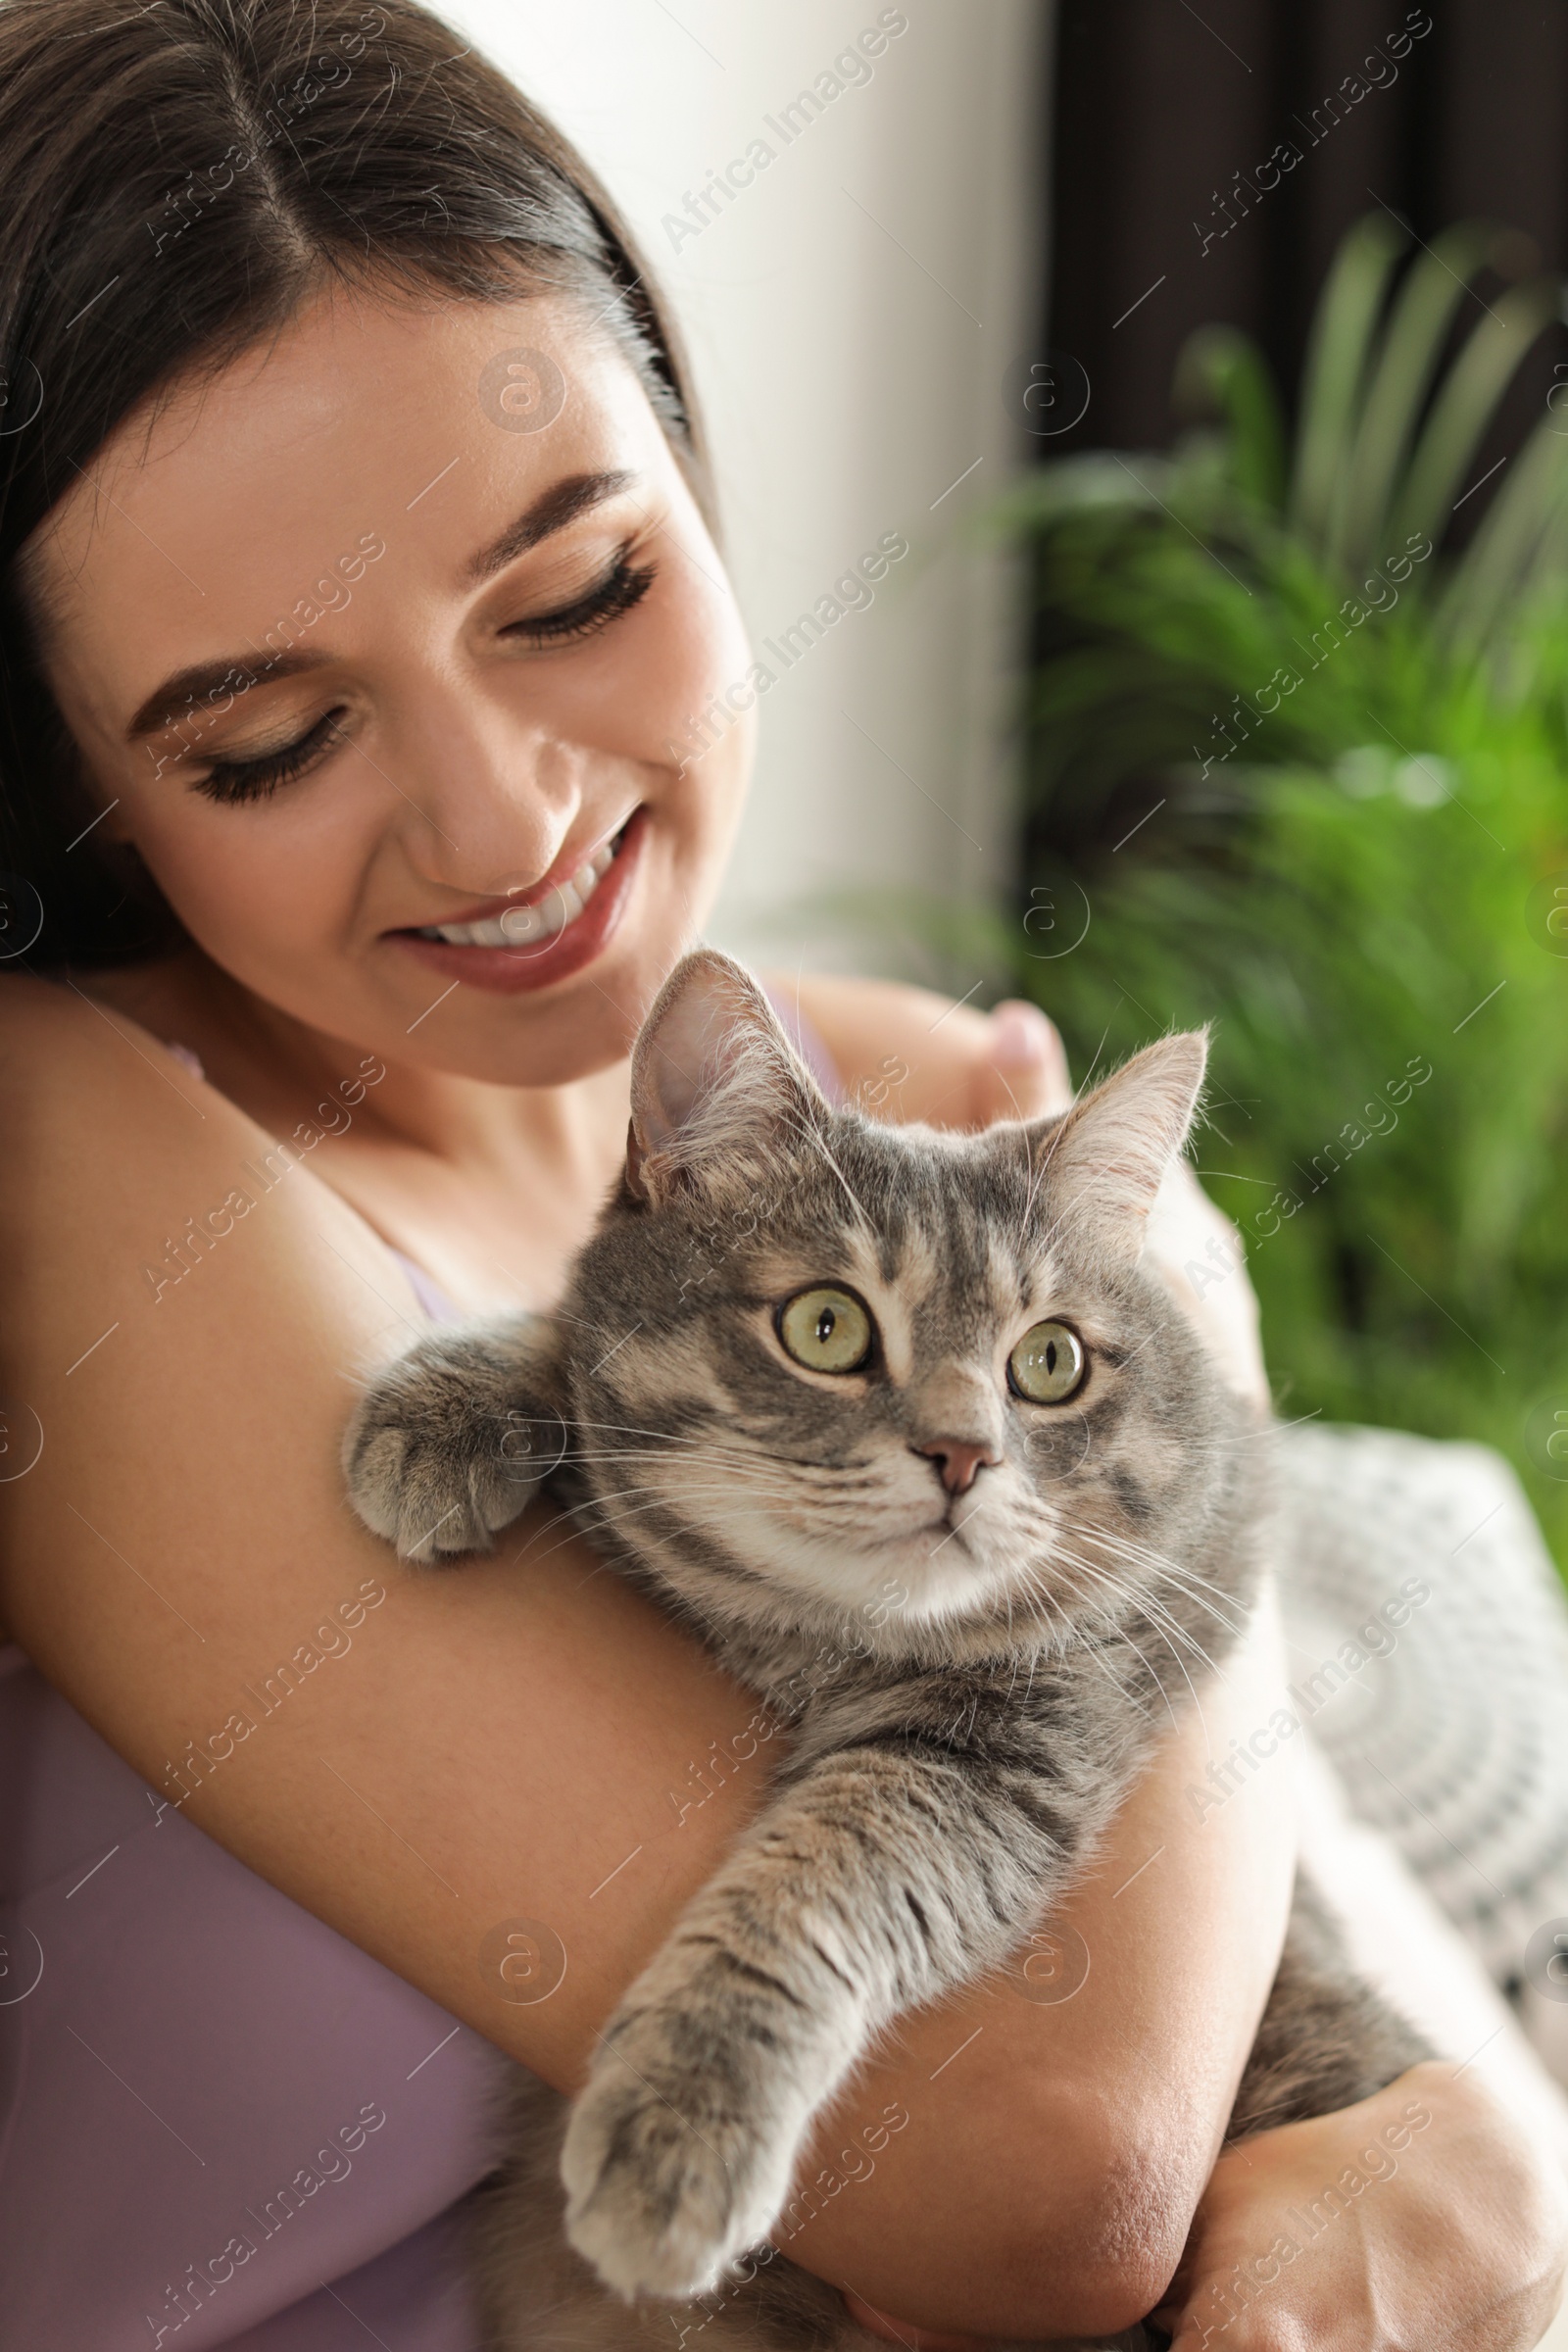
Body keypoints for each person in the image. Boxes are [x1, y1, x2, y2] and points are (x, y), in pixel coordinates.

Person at [0, 4, 1562, 2346]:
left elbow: (1348, 2042)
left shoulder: (902, 1097)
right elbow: (1052, 2180)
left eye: (570, 594)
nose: (510, 825)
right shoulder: (69, 1141)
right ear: (76, 782)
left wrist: (1475, 2141)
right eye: (275, 737)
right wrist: (1185, 1332)